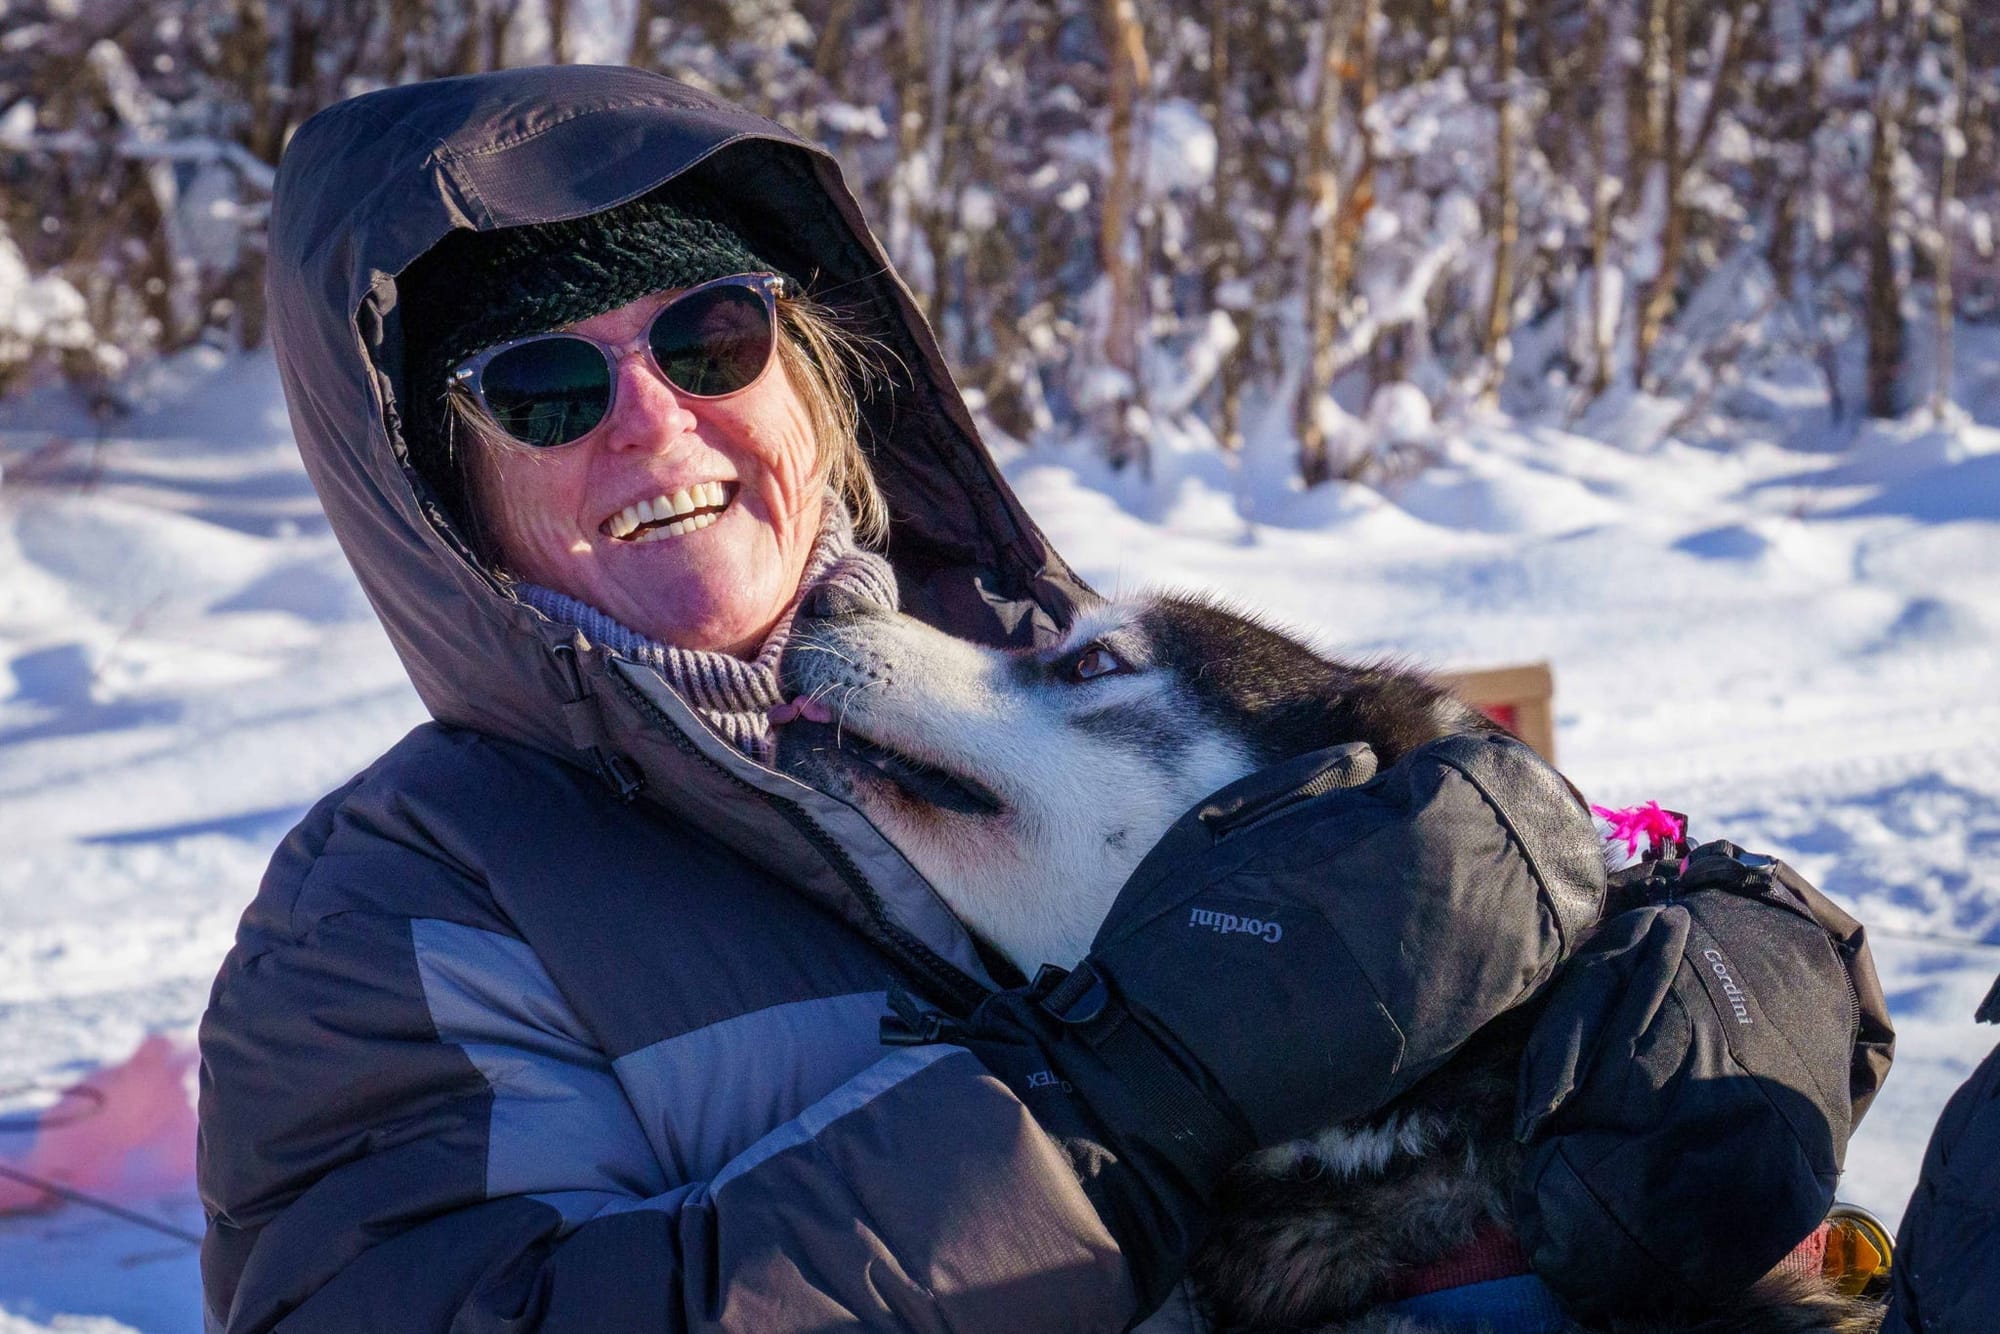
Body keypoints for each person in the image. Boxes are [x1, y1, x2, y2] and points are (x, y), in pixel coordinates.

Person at [196, 65, 1876, 1333]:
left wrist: (1745, 975)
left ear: (806, 375)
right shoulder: (395, 908)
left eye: (709, 337)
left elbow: (1535, 862)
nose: (652, 418)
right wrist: (1109, 1111)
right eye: (546, 387)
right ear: (442, 492)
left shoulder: (1052, 667)